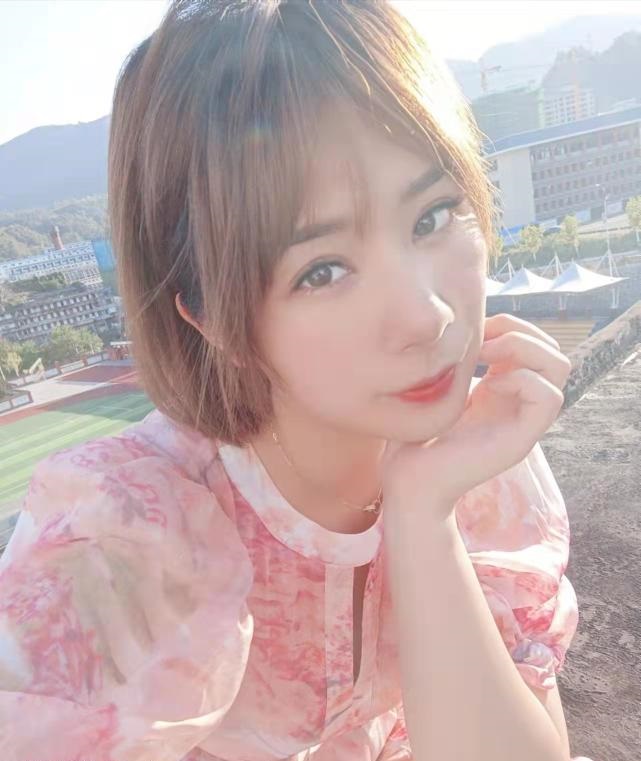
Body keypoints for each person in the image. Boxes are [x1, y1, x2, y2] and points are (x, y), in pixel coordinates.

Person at [0, 2, 594, 760]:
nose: (428, 316)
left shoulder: (478, 464)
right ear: (212, 317)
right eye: (323, 270)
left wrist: (423, 514)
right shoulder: (129, 537)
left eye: (433, 215)